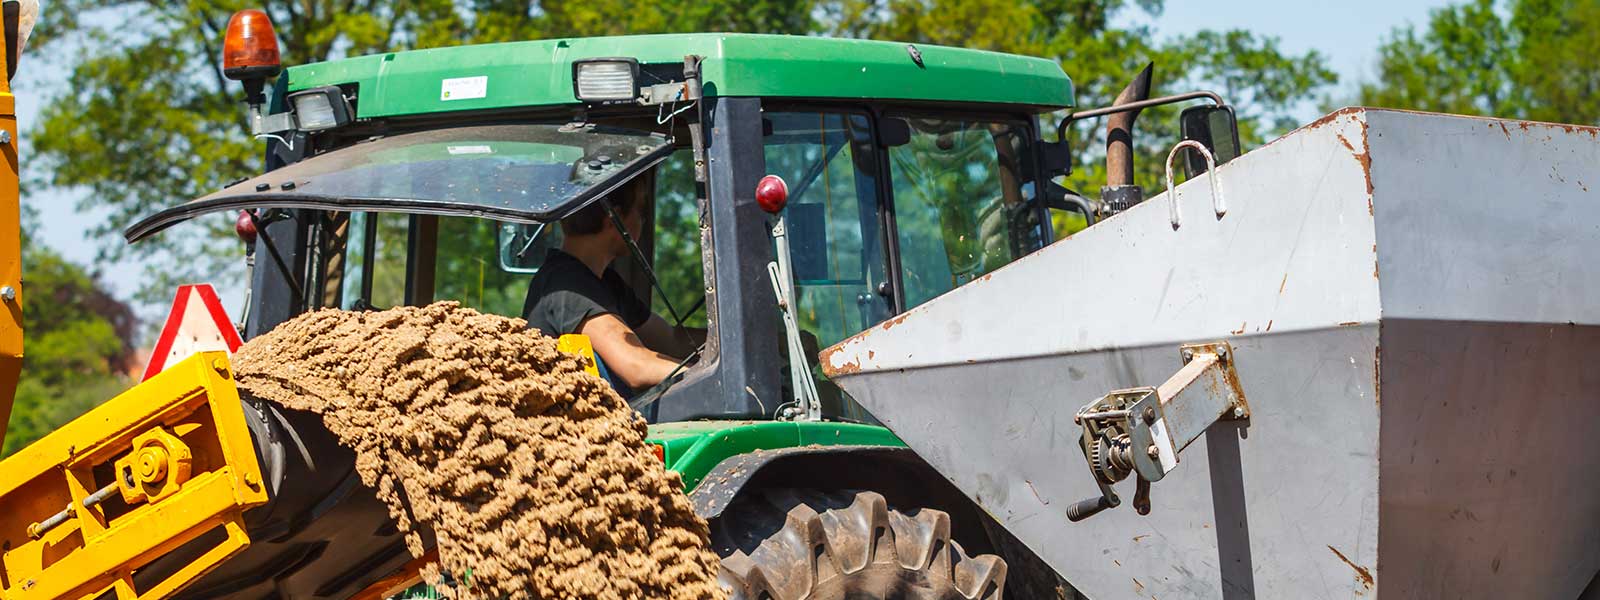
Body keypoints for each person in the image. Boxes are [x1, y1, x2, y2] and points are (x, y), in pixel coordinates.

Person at [522, 178, 700, 394]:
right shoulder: (567, 285)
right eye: (640, 211)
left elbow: (672, 341)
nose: (642, 221)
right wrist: (714, 377)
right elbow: (637, 367)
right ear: (614, 219)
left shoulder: (605, 282)